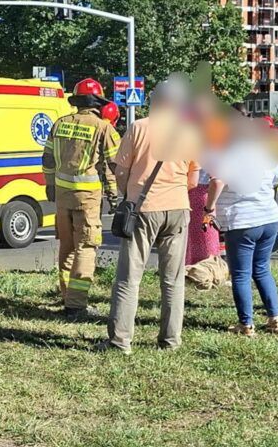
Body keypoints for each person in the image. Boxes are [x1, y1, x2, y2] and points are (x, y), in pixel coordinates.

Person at [102, 82, 200, 353]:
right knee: (173, 279)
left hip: (143, 209)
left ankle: (120, 341)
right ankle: (170, 341)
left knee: (129, 277)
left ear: (156, 101)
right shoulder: (191, 132)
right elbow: (193, 178)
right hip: (179, 210)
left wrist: (128, 193)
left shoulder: (139, 128)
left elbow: (120, 171)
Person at [41, 78, 119, 317]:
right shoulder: (104, 128)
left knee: (67, 247)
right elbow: (113, 165)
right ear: (97, 102)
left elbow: (47, 159)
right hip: (87, 200)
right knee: (86, 247)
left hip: (63, 198)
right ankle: (76, 305)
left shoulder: (60, 124)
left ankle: (66, 296)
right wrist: (115, 196)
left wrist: (50, 184)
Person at [204, 124, 278, 336]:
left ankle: (246, 324)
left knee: (241, 274)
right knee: (261, 269)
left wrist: (209, 208)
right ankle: (275, 318)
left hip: (242, 221)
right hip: (269, 219)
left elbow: (217, 181)